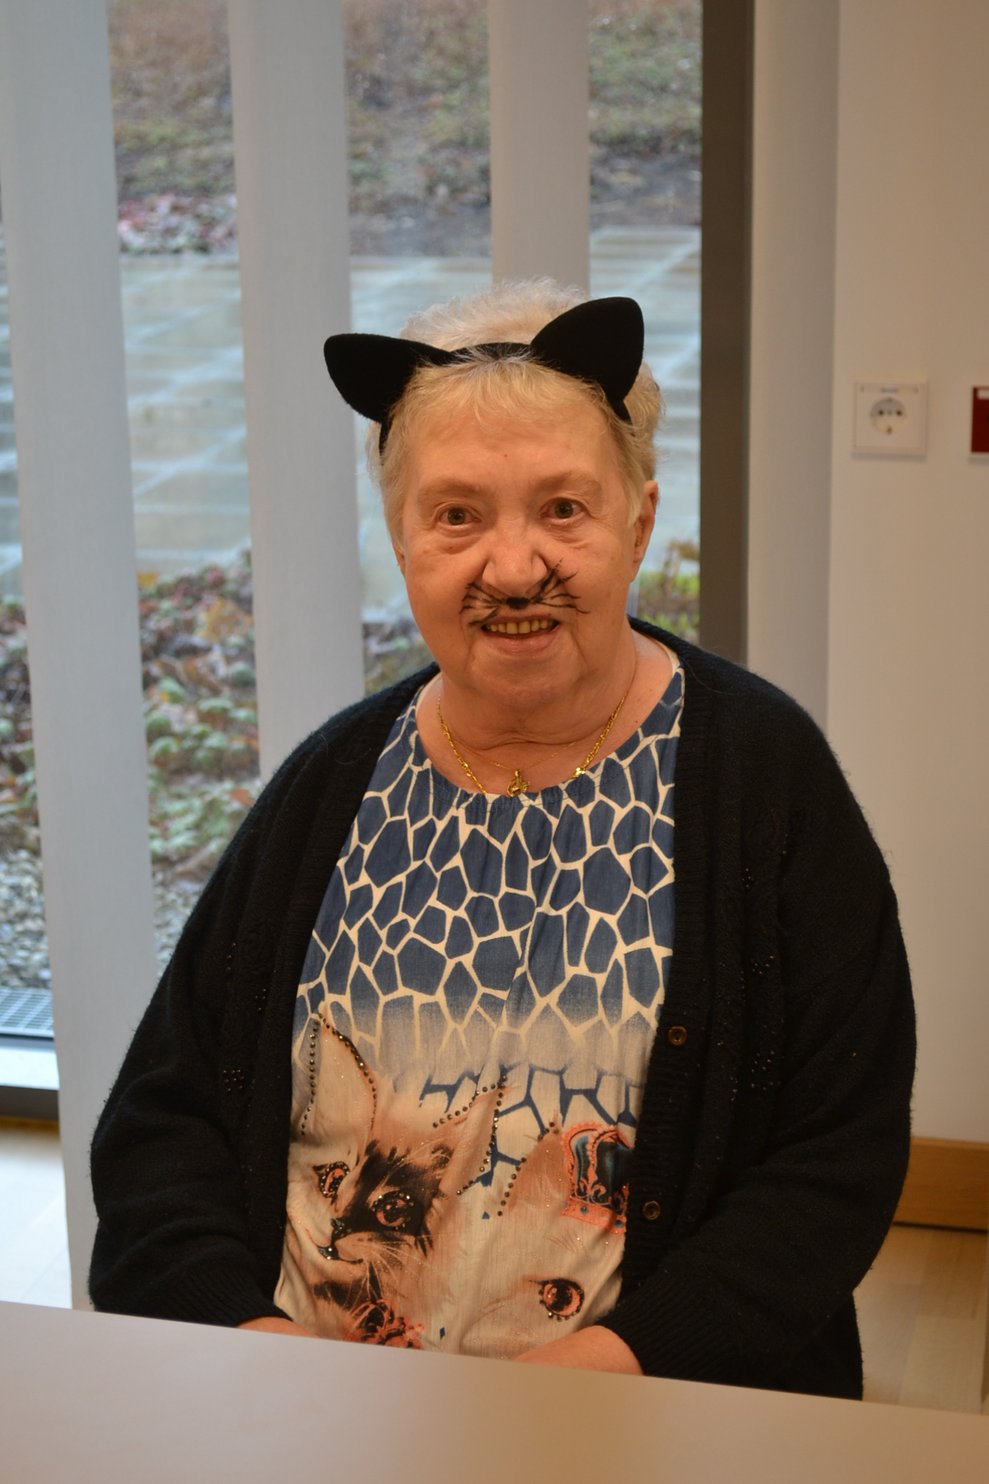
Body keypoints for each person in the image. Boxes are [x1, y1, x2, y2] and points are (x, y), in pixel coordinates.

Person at [89, 280, 915, 1397]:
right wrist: (254, 1348)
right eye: (456, 515)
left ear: (639, 521)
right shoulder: (332, 782)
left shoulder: (763, 780)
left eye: (563, 509)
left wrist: (608, 1372)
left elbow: (832, 1161)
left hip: (645, 1422)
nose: (513, 567)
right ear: (401, 540)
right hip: (315, 1420)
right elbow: (163, 1127)